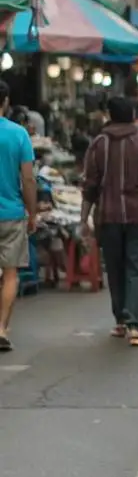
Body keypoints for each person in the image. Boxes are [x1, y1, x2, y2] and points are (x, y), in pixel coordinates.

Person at [80, 96, 138, 346]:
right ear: (132, 114)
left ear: (109, 114)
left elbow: (89, 185)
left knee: (115, 267)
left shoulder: (98, 143)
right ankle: (134, 325)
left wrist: (83, 218)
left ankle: (121, 321)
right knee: (135, 268)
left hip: (107, 216)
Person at [0, 81, 37, 351]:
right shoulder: (19, 134)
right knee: (10, 274)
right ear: (6, 102)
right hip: (11, 214)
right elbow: (28, 178)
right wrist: (32, 212)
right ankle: (1, 328)